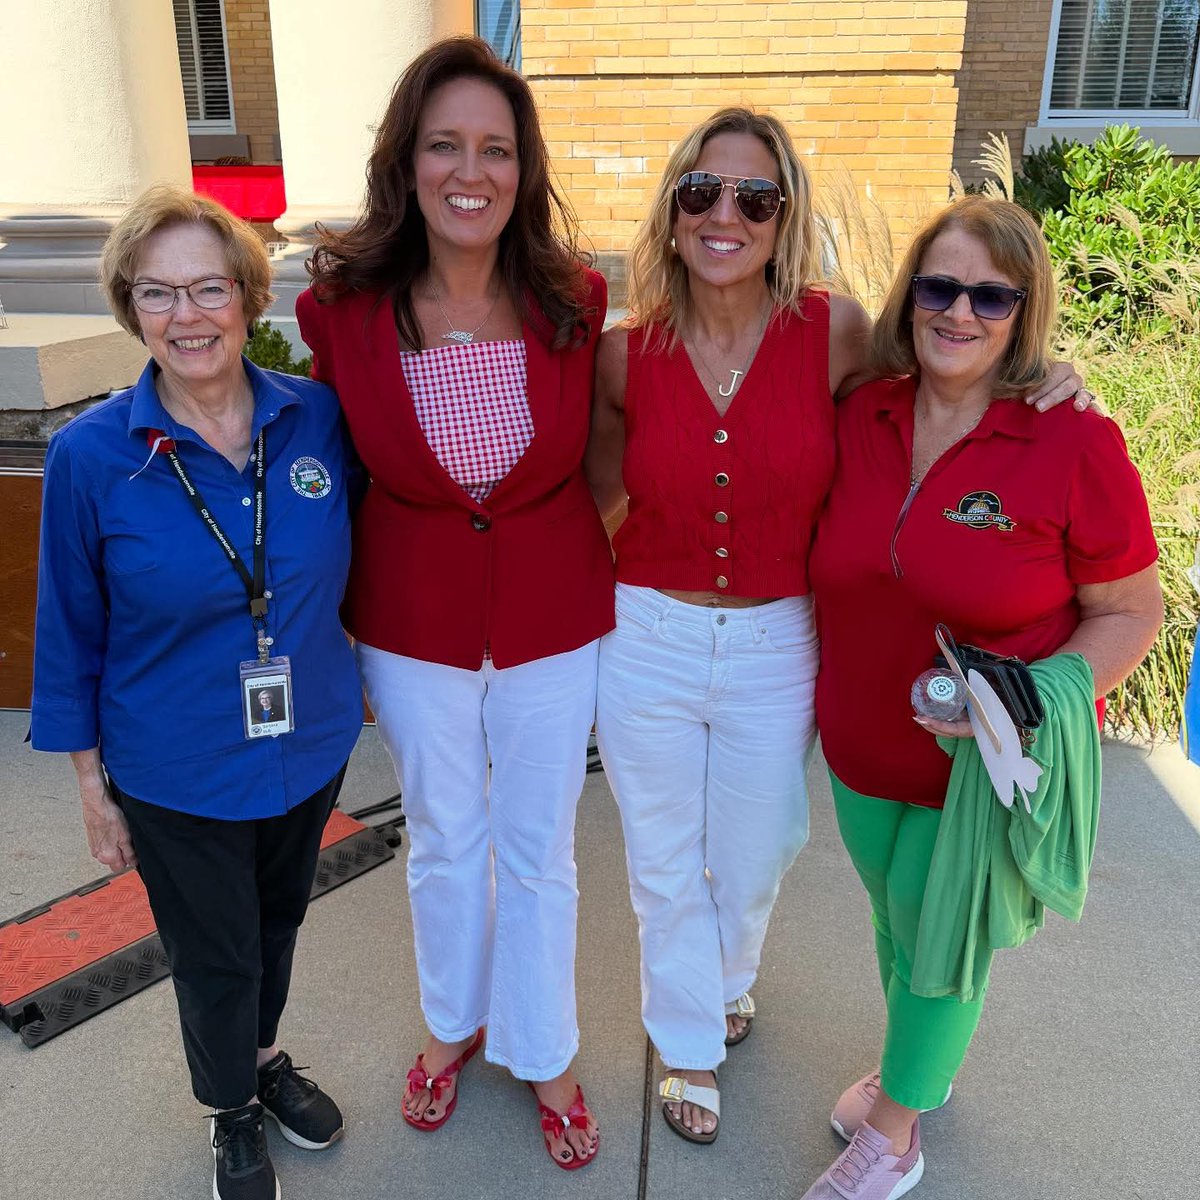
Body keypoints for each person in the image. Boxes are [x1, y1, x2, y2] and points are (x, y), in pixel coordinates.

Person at [585, 109, 1089, 1145]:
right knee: (665, 855)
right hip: (651, 637)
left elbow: (930, 402)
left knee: (763, 843)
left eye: (754, 198)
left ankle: (726, 977)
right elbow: (595, 497)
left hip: (778, 638)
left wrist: (1040, 375)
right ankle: (688, 1038)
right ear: (674, 209)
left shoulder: (837, 331)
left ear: (784, 216)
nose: (726, 214)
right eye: (703, 192)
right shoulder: (625, 355)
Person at [802, 195, 1163, 1198]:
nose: (960, 312)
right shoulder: (865, 404)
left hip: (981, 761)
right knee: (892, 918)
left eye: (991, 296)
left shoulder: (1071, 442)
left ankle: (898, 1132)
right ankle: (918, 1068)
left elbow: (1133, 611)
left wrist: (1029, 702)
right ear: (911, 293)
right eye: (941, 286)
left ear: (1025, 310)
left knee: (937, 930)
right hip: (862, 746)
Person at [295, 36, 609, 1170]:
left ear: (522, 169)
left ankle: (547, 1049)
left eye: (495, 148)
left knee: (540, 846)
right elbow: (317, 460)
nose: (469, 171)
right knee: (441, 838)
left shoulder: (575, 301)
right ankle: (451, 1027)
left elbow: (632, 434)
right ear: (408, 162)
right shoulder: (344, 311)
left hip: (550, 621)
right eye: (445, 145)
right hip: (414, 622)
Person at [30, 186, 364, 1200]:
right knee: (214, 947)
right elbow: (68, 629)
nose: (188, 316)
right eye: (157, 293)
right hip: (174, 762)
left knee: (277, 923)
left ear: (248, 295)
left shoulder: (316, 419)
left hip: (308, 739)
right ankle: (230, 1106)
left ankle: (261, 1059)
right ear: (132, 309)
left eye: (209, 287)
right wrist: (92, 784)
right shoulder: (90, 458)